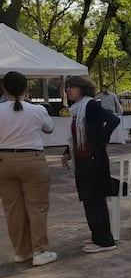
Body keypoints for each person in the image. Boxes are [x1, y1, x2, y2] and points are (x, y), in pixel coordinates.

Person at [0, 71, 57, 266]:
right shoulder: (38, 110)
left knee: (12, 208)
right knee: (37, 206)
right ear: (26, 89)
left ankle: (21, 251)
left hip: (4, 161)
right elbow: (49, 128)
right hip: (32, 160)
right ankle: (40, 250)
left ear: (4, 88)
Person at [61, 76, 121, 253]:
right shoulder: (77, 109)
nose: (68, 90)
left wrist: (100, 140)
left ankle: (105, 240)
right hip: (82, 160)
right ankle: (97, 235)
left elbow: (113, 120)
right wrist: (67, 152)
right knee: (88, 198)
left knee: (95, 199)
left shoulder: (91, 105)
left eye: (72, 87)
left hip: (93, 160)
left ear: (83, 88)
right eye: (67, 88)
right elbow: (76, 136)